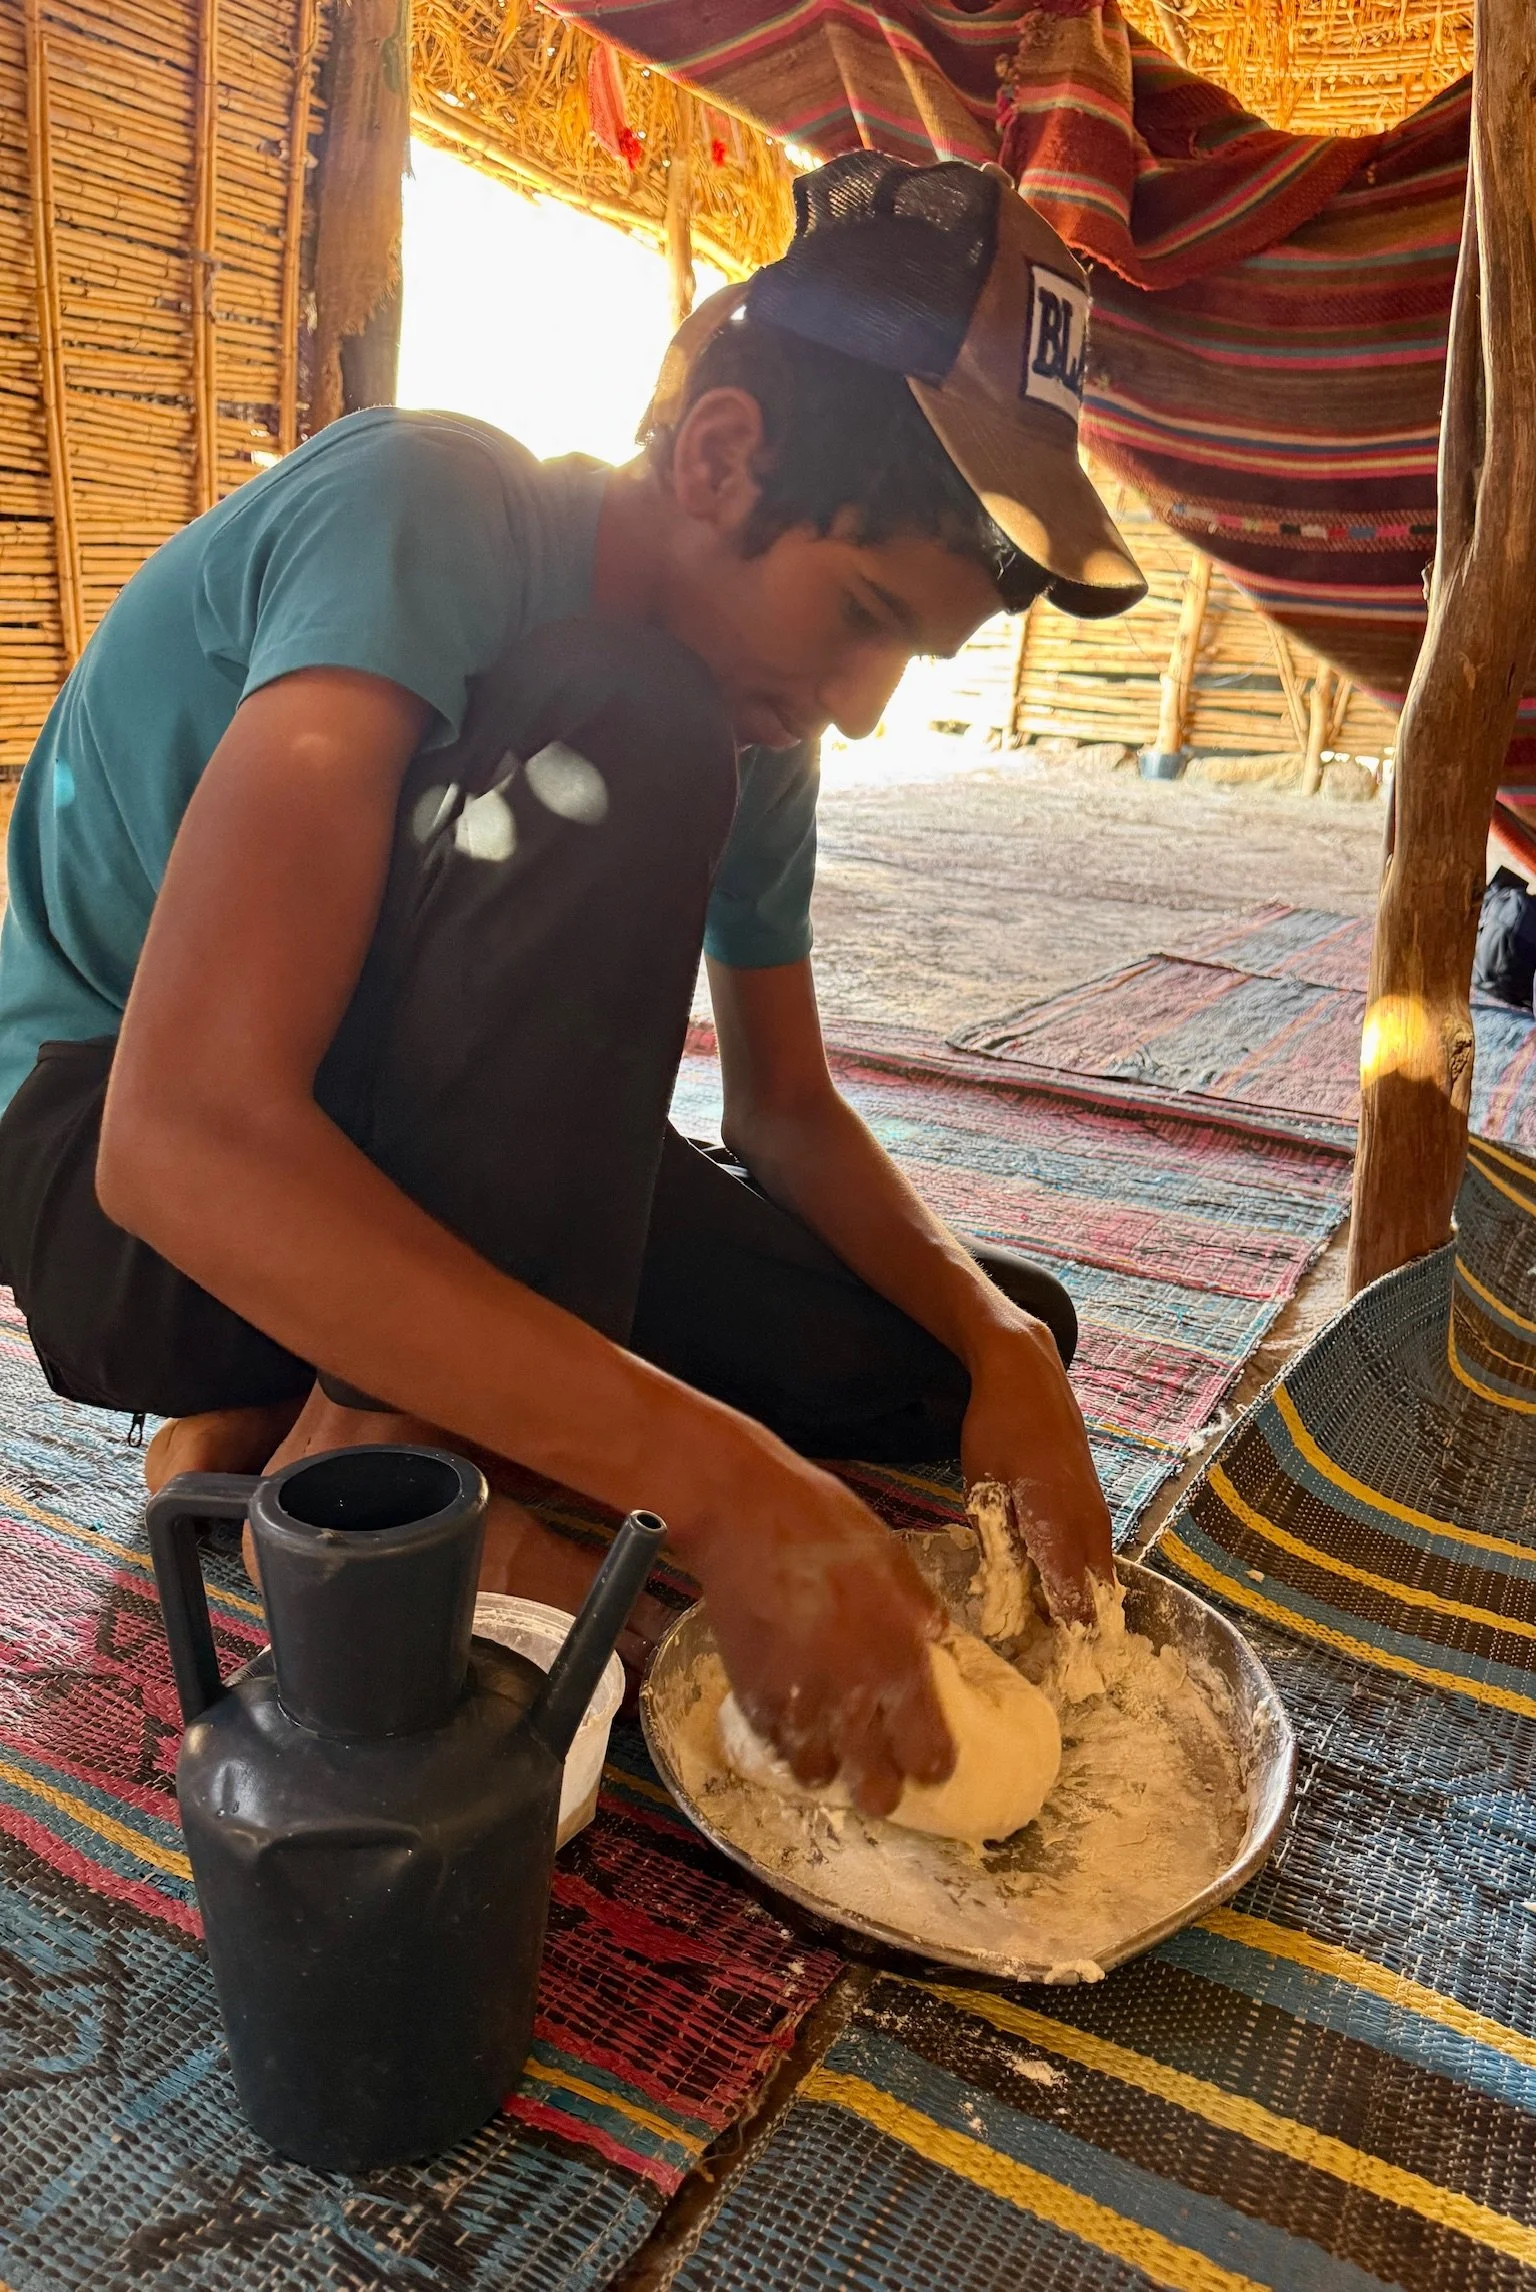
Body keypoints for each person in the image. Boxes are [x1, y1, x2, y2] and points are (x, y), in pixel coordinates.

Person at [0, 153, 1144, 1817]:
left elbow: (786, 1111)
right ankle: (374, 1458)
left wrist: (997, 1350)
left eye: (913, 656)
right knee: (632, 720)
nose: (865, 704)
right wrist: (727, 1494)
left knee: (944, 1364)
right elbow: (179, 1139)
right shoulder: (429, 509)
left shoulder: (762, 726)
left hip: (395, 1167)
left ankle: (278, 1412)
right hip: (118, 1189)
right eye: (864, 616)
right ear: (723, 454)